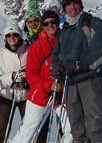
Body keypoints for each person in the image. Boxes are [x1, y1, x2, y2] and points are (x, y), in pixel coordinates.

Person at [51, 0, 102, 143]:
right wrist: (57, 68)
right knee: (77, 130)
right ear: (64, 9)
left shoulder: (93, 23)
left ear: (81, 4)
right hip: (70, 84)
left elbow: (101, 50)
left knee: (95, 128)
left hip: (91, 80)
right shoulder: (63, 31)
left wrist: (79, 64)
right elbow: (55, 54)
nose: (72, 7)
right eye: (68, 5)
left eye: (75, 3)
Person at [12, 10, 73, 143]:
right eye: (46, 23)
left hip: (61, 94)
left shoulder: (64, 42)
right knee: (28, 132)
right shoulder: (37, 46)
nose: (50, 26)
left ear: (58, 23)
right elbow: (31, 74)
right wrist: (50, 86)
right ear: (43, 26)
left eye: (53, 22)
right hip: (40, 95)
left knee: (73, 128)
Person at [0, 21, 29, 143]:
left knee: (30, 127)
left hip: (26, 95)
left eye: (15, 34)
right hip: (6, 95)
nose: (12, 38)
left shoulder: (29, 51)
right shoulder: (0, 56)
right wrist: (11, 77)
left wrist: (27, 77)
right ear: (5, 38)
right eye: (8, 35)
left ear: (20, 36)